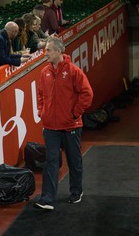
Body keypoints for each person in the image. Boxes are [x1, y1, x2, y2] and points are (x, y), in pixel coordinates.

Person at [34, 38, 93, 210]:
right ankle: (47, 199)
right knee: (51, 161)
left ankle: (76, 191)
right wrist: (41, 112)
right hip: (50, 127)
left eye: (49, 51)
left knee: (74, 161)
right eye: (45, 51)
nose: (46, 54)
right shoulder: (44, 72)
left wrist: (75, 114)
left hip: (70, 127)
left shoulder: (74, 71)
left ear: (59, 51)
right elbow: (40, 94)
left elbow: (87, 94)